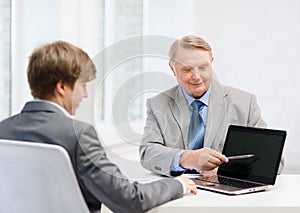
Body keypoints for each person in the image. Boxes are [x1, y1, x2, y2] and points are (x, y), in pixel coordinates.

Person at [0, 41, 198, 213]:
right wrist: (176, 185)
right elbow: (129, 200)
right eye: (83, 85)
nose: (85, 94)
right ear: (62, 87)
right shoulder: (77, 135)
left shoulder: (3, 131)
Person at [139, 35, 283, 177]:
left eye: (203, 67)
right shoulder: (157, 105)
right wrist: (186, 158)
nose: (196, 76)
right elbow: (147, 153)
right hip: (180, 190)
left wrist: (228, 171)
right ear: (173, 69)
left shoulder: (245, 104)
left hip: (225, 193)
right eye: (187, 69)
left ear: (211, 62)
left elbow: (275, 160)